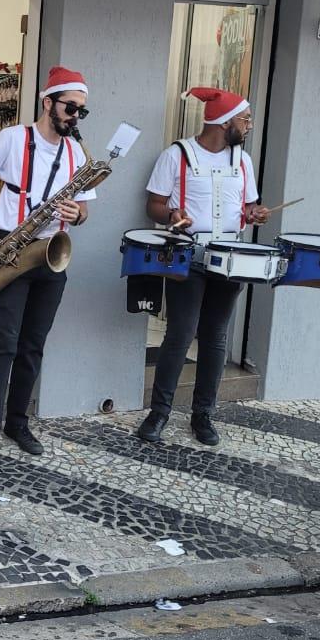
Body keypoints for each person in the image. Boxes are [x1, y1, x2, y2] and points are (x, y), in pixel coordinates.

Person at [0, 66, 96, 461]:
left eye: (81, 111)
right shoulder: (12, 139)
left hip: (52, 254)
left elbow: (85, 210)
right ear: (48, 102)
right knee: (3, 344)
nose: (75, 116)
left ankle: (17, 422)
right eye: (71, 107)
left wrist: (79, 211)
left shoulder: (77, 152)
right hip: (12, 249)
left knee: (33, 345)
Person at [137, 86, 269, 446]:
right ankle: (159, 413)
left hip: (230, 258)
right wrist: (172, 215)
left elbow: (247, 207)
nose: (249, 124)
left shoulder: (243, 160)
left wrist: (254, 213)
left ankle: (203, 415)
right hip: (188, 255)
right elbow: (154, 205)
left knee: (215, 338)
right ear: (224, 122)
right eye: (244, 119)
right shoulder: (176, 154)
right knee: (180, 334)